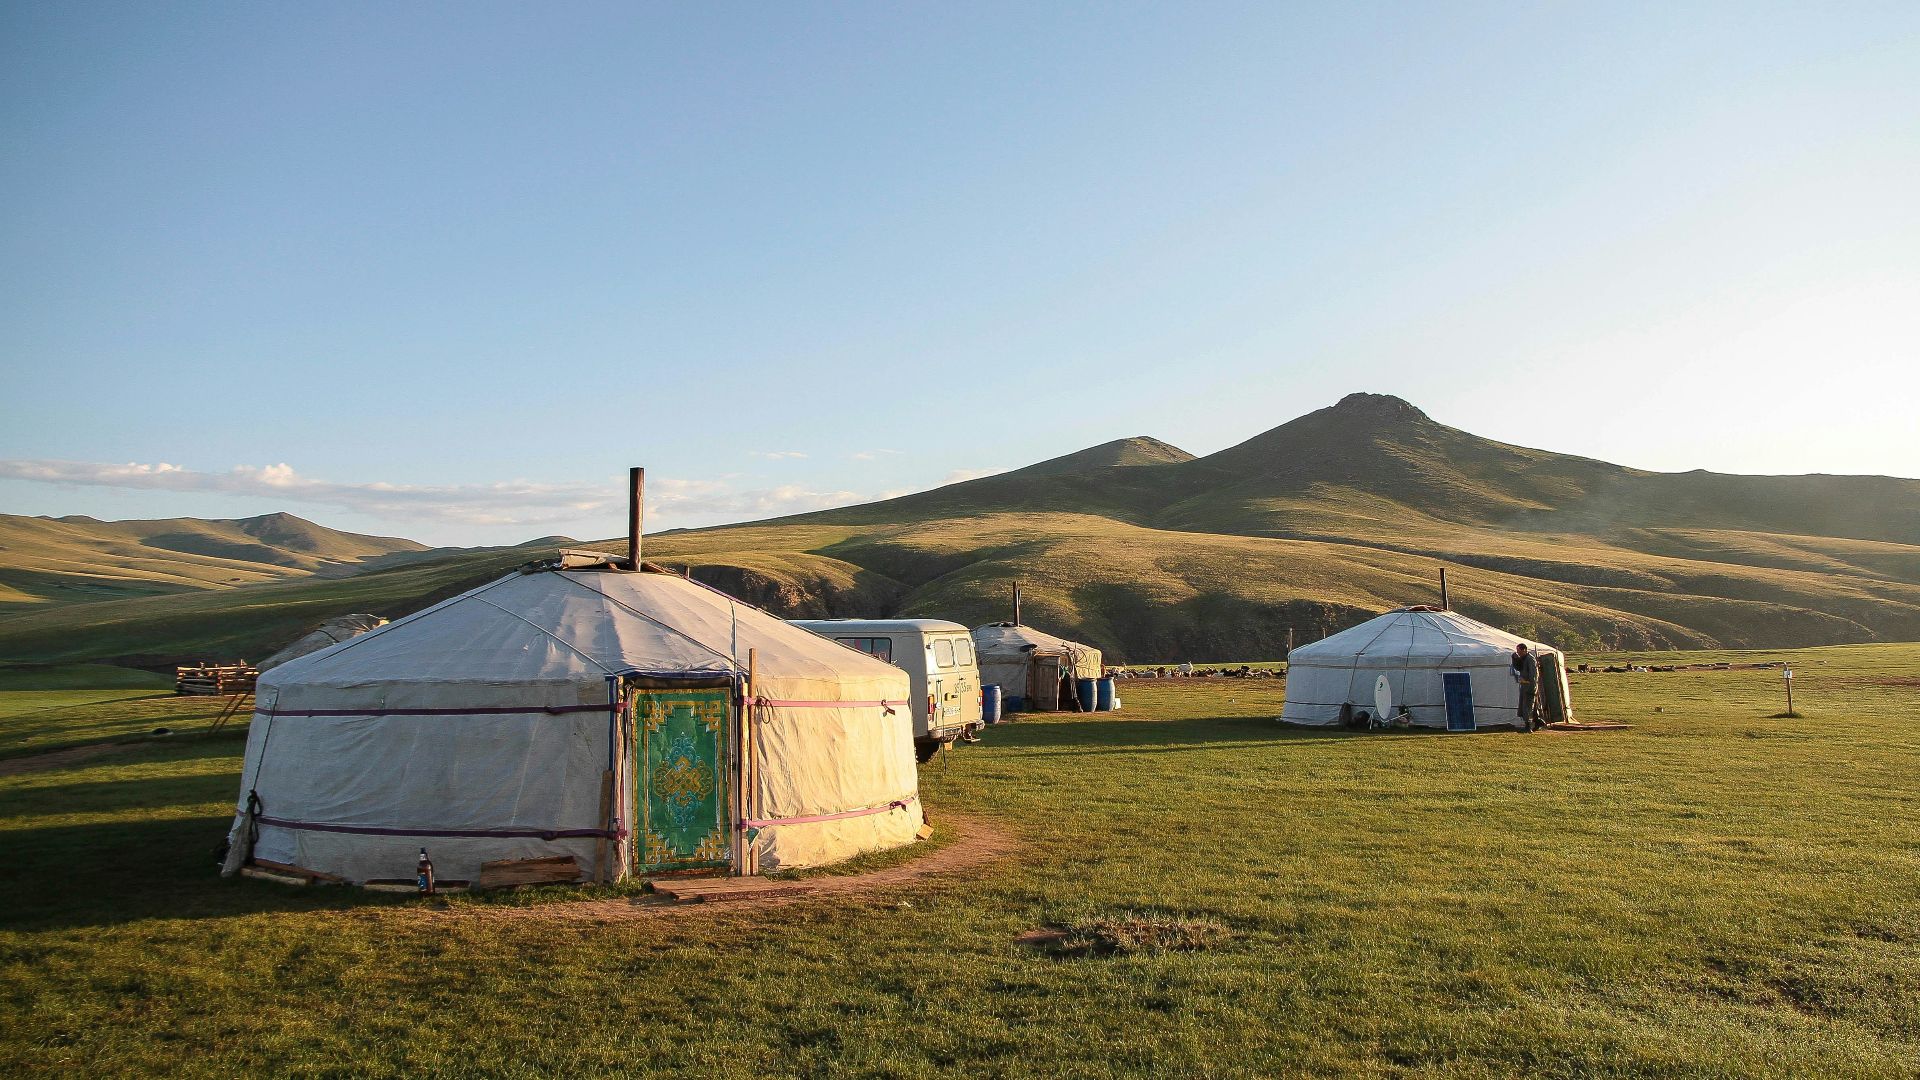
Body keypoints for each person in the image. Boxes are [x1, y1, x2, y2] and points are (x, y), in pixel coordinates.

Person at [1511, 643, 1540, 729]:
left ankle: (1528, 727)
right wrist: (1515, 659)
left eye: (1519, 651)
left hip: (1529, 686)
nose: (1518, 653)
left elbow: (1534, 674)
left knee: (1527, 706)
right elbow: (1519, 668)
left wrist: (1529, 683)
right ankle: (1537, 724)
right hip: (1525, 686)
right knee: (1530, 707)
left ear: (1524, 650)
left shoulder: (1530, 659)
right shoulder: (1524, 659)